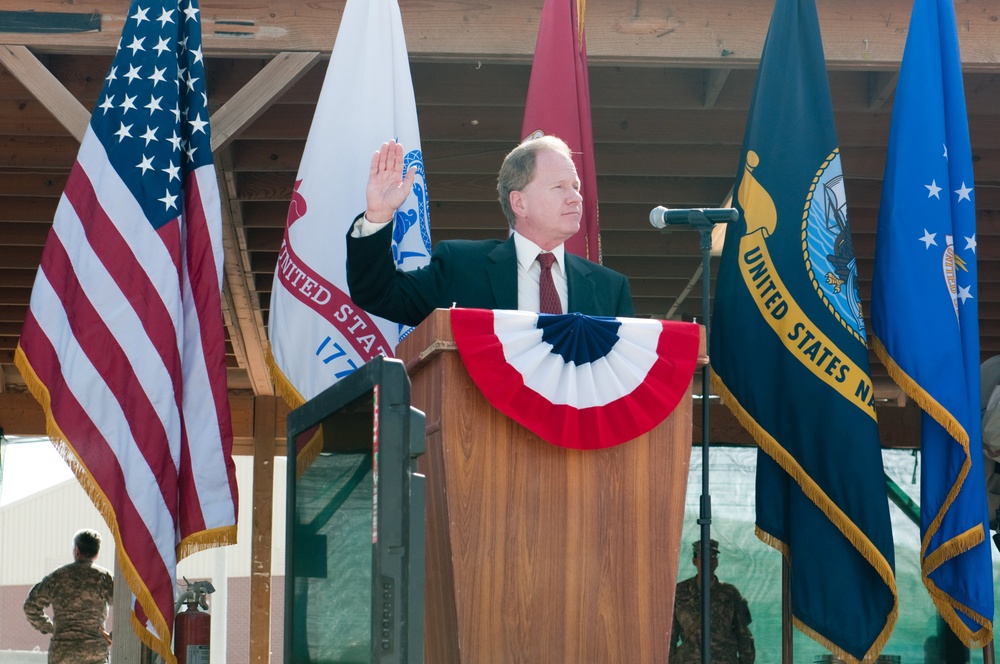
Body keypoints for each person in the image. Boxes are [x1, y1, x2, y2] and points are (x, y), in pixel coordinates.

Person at [346, 135, 634, 326]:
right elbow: (378, 294)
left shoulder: (610, 288)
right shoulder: (460, 266)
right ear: (519, 202)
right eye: (559, 187)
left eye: (576, 187)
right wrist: (379, 214)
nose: (576, 197)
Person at [24, 529, 115, 664]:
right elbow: (128, 608)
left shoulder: (57, 577)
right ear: (96, 554)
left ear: (77, 550)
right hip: (94, 652)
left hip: (62, 653)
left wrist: (50, 627)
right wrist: (113, 636)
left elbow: (30, 607)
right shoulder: (104, 578)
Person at [671, 539, 755, 664]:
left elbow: (743, 635)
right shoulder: (679, 592)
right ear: (695, 561)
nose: (709, 560)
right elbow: (670, 635)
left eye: (713, 556)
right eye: (704, 556)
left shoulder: (730, 594)